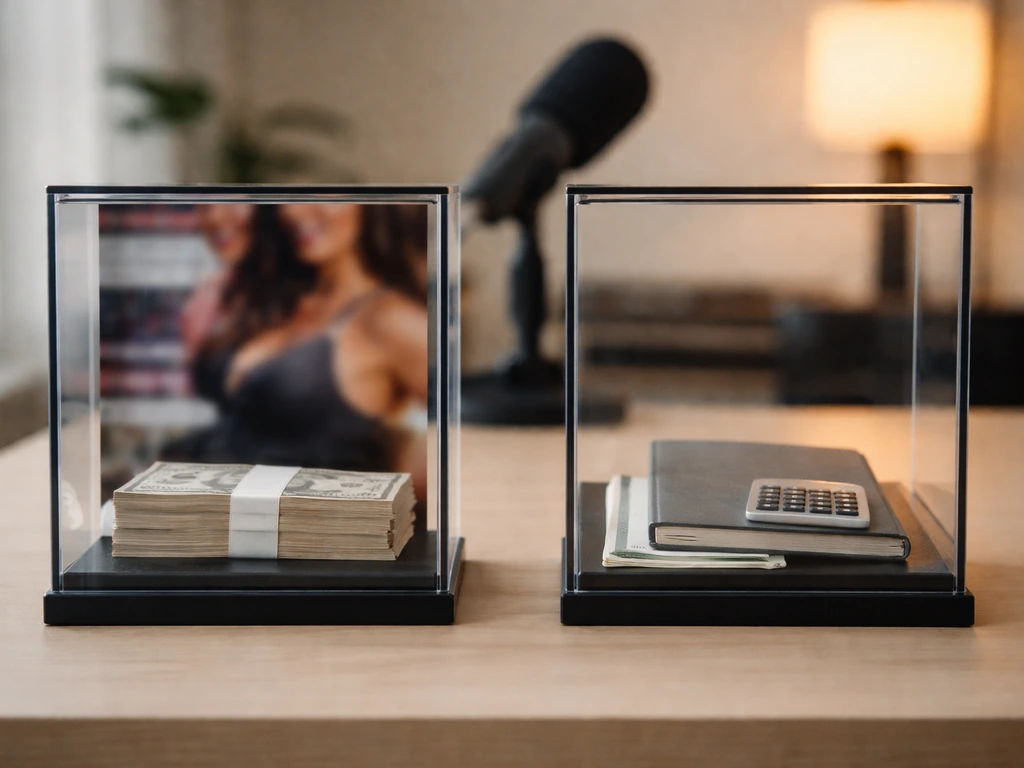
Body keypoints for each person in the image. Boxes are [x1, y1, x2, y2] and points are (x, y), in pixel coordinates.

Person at [171, 203, 429, 509]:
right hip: (198, 511)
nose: (293, 212)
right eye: (288, 199)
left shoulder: (390, 320)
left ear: (367, 206)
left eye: (322, 195)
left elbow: (462, 429)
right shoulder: (274, 298)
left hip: (298, 533)